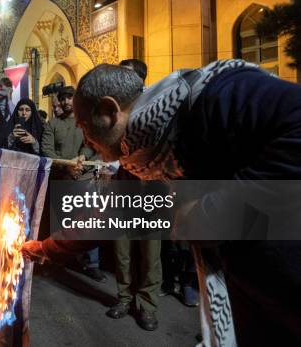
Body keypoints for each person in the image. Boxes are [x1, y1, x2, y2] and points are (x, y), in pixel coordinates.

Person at [23, 60, 301, 345]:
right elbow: (105, 217)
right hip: (250, 283)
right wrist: (44, 248)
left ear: (108, 111)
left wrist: (212, 214)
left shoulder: (216, 95)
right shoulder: (138, 156)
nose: (86, 138)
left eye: (84, 126)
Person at [41, 86, 107, 283]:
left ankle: (92, 264)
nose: (67, 102)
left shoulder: (87, 123)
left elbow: (93, 145)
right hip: (62, 178)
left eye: (71, 98)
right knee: (61, 224)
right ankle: (59, 261)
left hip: (84, 179)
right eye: (64, 98)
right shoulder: (52, 124)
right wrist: (68, 166)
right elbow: (47, 151)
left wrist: (80, 160)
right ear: (59, 102)